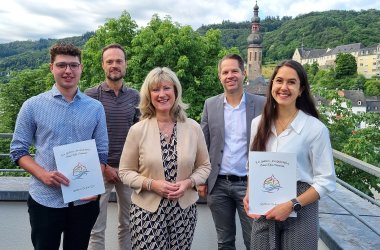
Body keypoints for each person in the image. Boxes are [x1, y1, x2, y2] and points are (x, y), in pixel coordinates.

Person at [9, 43, 108, 250]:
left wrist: (93, 185)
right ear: (51, 67)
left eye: (73, 65)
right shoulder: (32, 106)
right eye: (62, 65)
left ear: (81, 68)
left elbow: (101, 152)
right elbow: (18, 150)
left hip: (84, 201)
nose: (68, 71)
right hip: (45, 198)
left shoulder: (95, 108)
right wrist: (43, 175)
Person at [244, 60, 336, 249]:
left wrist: (292, 204)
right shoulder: (258, 124)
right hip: (265, 205)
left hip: (301, 206)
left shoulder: (315, 129)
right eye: (279, 81)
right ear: (272, 86)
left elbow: (326, 181)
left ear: (301, 89)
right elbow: (252, 167)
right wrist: (249, 193)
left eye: (291, 82)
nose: (283, 87)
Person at [119, 67, 211, 249]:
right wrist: (152, 184)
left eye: (167, 88)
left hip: (184, 211)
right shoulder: (137, 130)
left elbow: (205, 166)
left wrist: (188, 183)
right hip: (146, 211)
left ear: (175, 91)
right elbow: (125, 172)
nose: (162, 94)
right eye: (155, 89)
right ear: (149, 95)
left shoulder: (193, 128)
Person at [199, 53, 265, 250]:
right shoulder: (210, 105)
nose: (230, 75)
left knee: (254, 241)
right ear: (219, 76)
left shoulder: (262, 104)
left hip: (250, 185)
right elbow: (203, 144)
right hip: (218, 185)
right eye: (225, 72)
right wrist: (202, 180)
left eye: (234, 71)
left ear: (243, 73)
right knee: (224, 242)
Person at [85, 43, 139, 250]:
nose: (114, 65)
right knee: (95, 227)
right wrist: (104, 166)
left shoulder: (136, 97)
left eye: (119, 61)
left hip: (129, 171)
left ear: (125, 64)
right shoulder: (90, 96)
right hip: (98, 170)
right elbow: (85, 136)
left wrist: (127, 167)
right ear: (102, 65)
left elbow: (140, 137)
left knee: (129, 224)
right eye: (110, 61)